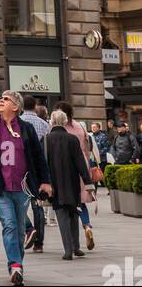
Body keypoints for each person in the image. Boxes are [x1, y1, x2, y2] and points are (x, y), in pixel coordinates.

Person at [0, 89, 52, 286]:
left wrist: (45, 181)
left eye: (6, 99)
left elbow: (38, 157)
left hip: (23, 187)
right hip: (0, 188)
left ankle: (16, 266)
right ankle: (15, 264)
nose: (1, 101)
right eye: (1, 98)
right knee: (9, 225)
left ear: (16, 107)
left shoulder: (26, 128)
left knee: (19, 230)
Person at [44, 109, 92, 260]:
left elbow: (42, 164)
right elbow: (80, 163)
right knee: (73, 214)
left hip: (55, 184)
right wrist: (88, 182)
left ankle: (68, 250)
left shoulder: (46, 139)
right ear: (65, 122)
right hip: (72, 182)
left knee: (62, 215)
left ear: (51, 122)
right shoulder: (72, 139)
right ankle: (76, 247)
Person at [55, 101, 97, 250]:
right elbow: (87, 148)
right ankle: (86, 225)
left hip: (66, 166)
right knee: (81, 200)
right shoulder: (80, 126)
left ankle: (71, 243)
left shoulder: (60, 128)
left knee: (69, 202)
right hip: (82, 164)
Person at [20, 95, 49, 255]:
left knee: (19, 203)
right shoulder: (45, 125)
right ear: (35, 106)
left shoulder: (18, 122)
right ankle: (39, 243)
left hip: (22, 168)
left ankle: (28, 228)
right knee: (38, 205)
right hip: (39, 169)